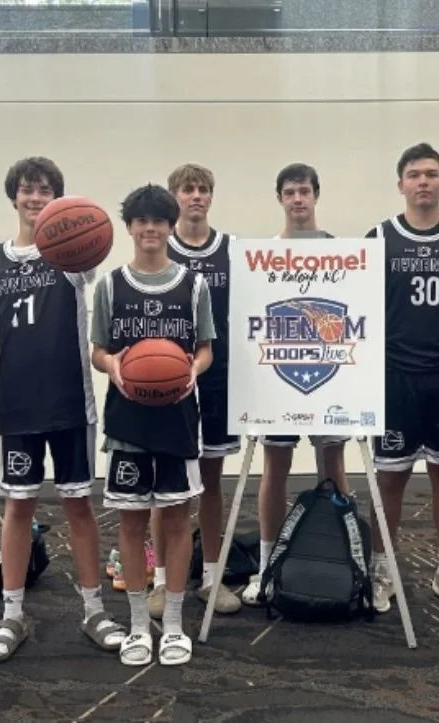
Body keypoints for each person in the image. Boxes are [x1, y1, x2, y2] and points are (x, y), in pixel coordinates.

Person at [0, 157, 126, 662]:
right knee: (18, 508)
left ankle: (94, 611)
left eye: (45, 191)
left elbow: (92, 255)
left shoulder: (75, 256)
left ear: (57, 199)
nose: (35, 198)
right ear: (13, 196)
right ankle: (12, 615)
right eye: (27, 190)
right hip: (17, 407)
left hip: (70, 403)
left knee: (80, 505)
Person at [90, 183, 215, 667]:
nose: (149, 229)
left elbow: (205, 349)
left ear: (169, 226)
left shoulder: (193, 285)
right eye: (140, 221)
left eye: (158, 221)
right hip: (127, 419)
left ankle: (176, 624)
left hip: (179, 417)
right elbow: (98, 350)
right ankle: (140, 624)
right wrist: (115, 367)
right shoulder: (110, 285)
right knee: (132, 521)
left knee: (178, 517)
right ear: (129, 227)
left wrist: (191, 371)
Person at [363, 143, 439, 614]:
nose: (423, 182)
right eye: (414, 174)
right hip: (395, 375)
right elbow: (364, 314)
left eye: (431, 174)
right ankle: (381, 569)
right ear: (400, 184)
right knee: (388, 480)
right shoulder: (378, 237)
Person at [240, 162, 351, 607]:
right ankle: (267, 563)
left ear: (316, 196)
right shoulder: (264, 254)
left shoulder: (341, 251)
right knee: (276, 468)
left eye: (304, 191)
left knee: (333, 466)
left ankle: (343, 556)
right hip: (280, 376)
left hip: (330, 374)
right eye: (290, 192)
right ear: (280, 199)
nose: (298, 199)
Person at [141, 163, 242, 618]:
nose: (195, 196)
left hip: (216, 378)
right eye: (187, 189)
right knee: (169, 489)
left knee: (213, 482)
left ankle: (212, 576)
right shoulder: (162, 248)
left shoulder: (232, 250)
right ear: (173, 197)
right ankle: (162, 580)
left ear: (211, 197)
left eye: (203, 189)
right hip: (165, 384)